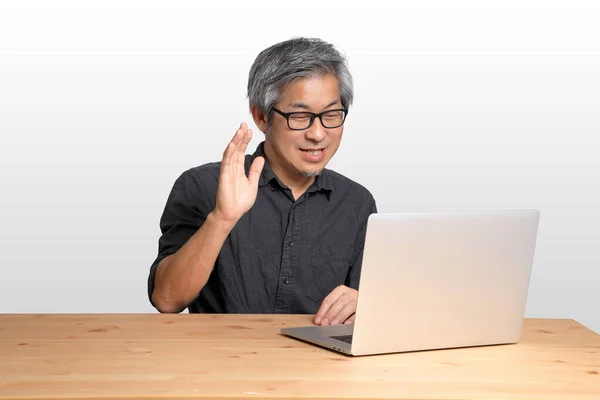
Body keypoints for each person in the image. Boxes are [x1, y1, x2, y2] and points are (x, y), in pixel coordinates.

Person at [147, 37, 377, 326]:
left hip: (322, 366)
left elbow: (365, 308)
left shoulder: (357, 202)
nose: (318, 134)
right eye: (300, 116)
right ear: (261, 116)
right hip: (220, 364)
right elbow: (167, 300)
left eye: (331, 115)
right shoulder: (203, 186)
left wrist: (363, 303)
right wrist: (222, 218)